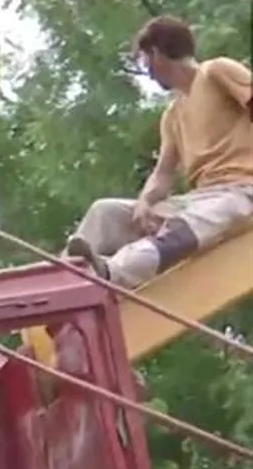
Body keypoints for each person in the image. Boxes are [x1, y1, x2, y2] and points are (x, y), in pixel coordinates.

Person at [64, 16, 253, 286]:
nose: (148, 73)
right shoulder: (173, 115)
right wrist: (145, 203)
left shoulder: (216, 72)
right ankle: (62, 279)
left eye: (144, 61)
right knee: (105, 212)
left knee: (182, 229)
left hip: (240, 193)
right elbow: (163, 174)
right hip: (199, 198)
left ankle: (111, 272)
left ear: (155, 53)